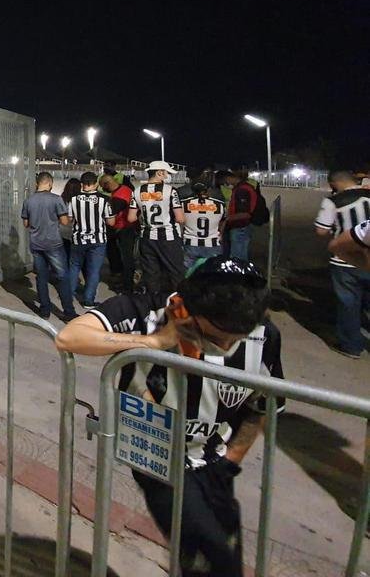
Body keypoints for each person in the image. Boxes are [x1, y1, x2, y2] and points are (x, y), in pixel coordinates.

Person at [56, 256, 282, 577]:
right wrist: (153, 342)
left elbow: (261, 406)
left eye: (237, 338)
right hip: (158, 454)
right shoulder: (146, 310)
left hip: (215, 460)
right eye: (217, 337)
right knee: (216, 558)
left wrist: (231, 461)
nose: (227, 346)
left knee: (223, 549)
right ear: (183, 309)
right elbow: (69, 337)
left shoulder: (264, 335)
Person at [315, 169, 370, 358]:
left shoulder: (334, 201)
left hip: (345, 261)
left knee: (349, 304)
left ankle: (351, 346)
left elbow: (321, 231)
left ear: (333, 183)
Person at [20, 172, 75, 321]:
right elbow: (64, 222)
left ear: (37, 183)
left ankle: (45, 310)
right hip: (54, 243)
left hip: (36, 243)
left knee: (41, 277)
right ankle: (68, 312)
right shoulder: (56, 199)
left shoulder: (28, 201)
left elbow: (26, 223)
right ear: (50, 183)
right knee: (63, 276)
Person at [128, 161, 185, 296]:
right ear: (160, 172)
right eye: (167, 173)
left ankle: (153, 305)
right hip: (168, 238)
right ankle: (179, 304)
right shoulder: (171, 191)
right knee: (176, 273)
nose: (167, 176)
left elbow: (131, 218)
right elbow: (180, 218)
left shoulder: (137, 191)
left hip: (147, 238)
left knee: (151, 274)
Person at [67, 171, 115, 312]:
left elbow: (69, 219)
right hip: (98, 239)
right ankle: (88, 300)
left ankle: (68, 295)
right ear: (95, 184)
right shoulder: (104, 200)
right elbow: (111, 222)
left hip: (78, 238)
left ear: (82, 184)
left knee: (74, 267)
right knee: (94, 270)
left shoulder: (74, 199)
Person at [179, 179, 227, 270]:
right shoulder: (219, 204)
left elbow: (179, 220)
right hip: (212, 244)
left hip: (190, 243)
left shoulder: (184, 204)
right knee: (211, 275)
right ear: (208, 190)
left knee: (188, 275)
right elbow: (223, 221)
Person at [225, 169, 259, 261]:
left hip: (240, 226)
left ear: (232, 177)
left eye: (226, 178)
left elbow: (245, 213)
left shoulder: (242, 190)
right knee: (242, 256)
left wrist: (227, 219)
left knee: (237, 257)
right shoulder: (245, 187)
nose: (226, 181)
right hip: (244, 225)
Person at [60, 177, 81, 261]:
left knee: (66, 254)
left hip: (63, 231)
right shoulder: (80, 200)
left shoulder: (62, 199)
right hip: (77, 231)